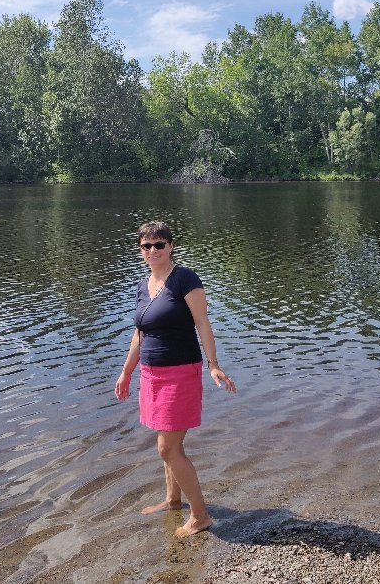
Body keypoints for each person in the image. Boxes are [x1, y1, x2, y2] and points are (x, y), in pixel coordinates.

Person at [115, 220, 237, 538]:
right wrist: (127, 371)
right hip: (151, 374)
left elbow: (202, 323)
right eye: (146, 246)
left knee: (167, 448)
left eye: (159, 244)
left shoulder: (185, 279)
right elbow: (139, 333)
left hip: (180, 373)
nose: (153, 250)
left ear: (170, 246)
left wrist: (213, 364)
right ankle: (172, 501)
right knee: (171, 444)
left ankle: (200, 516)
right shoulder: (143, 286)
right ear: (140, 250)